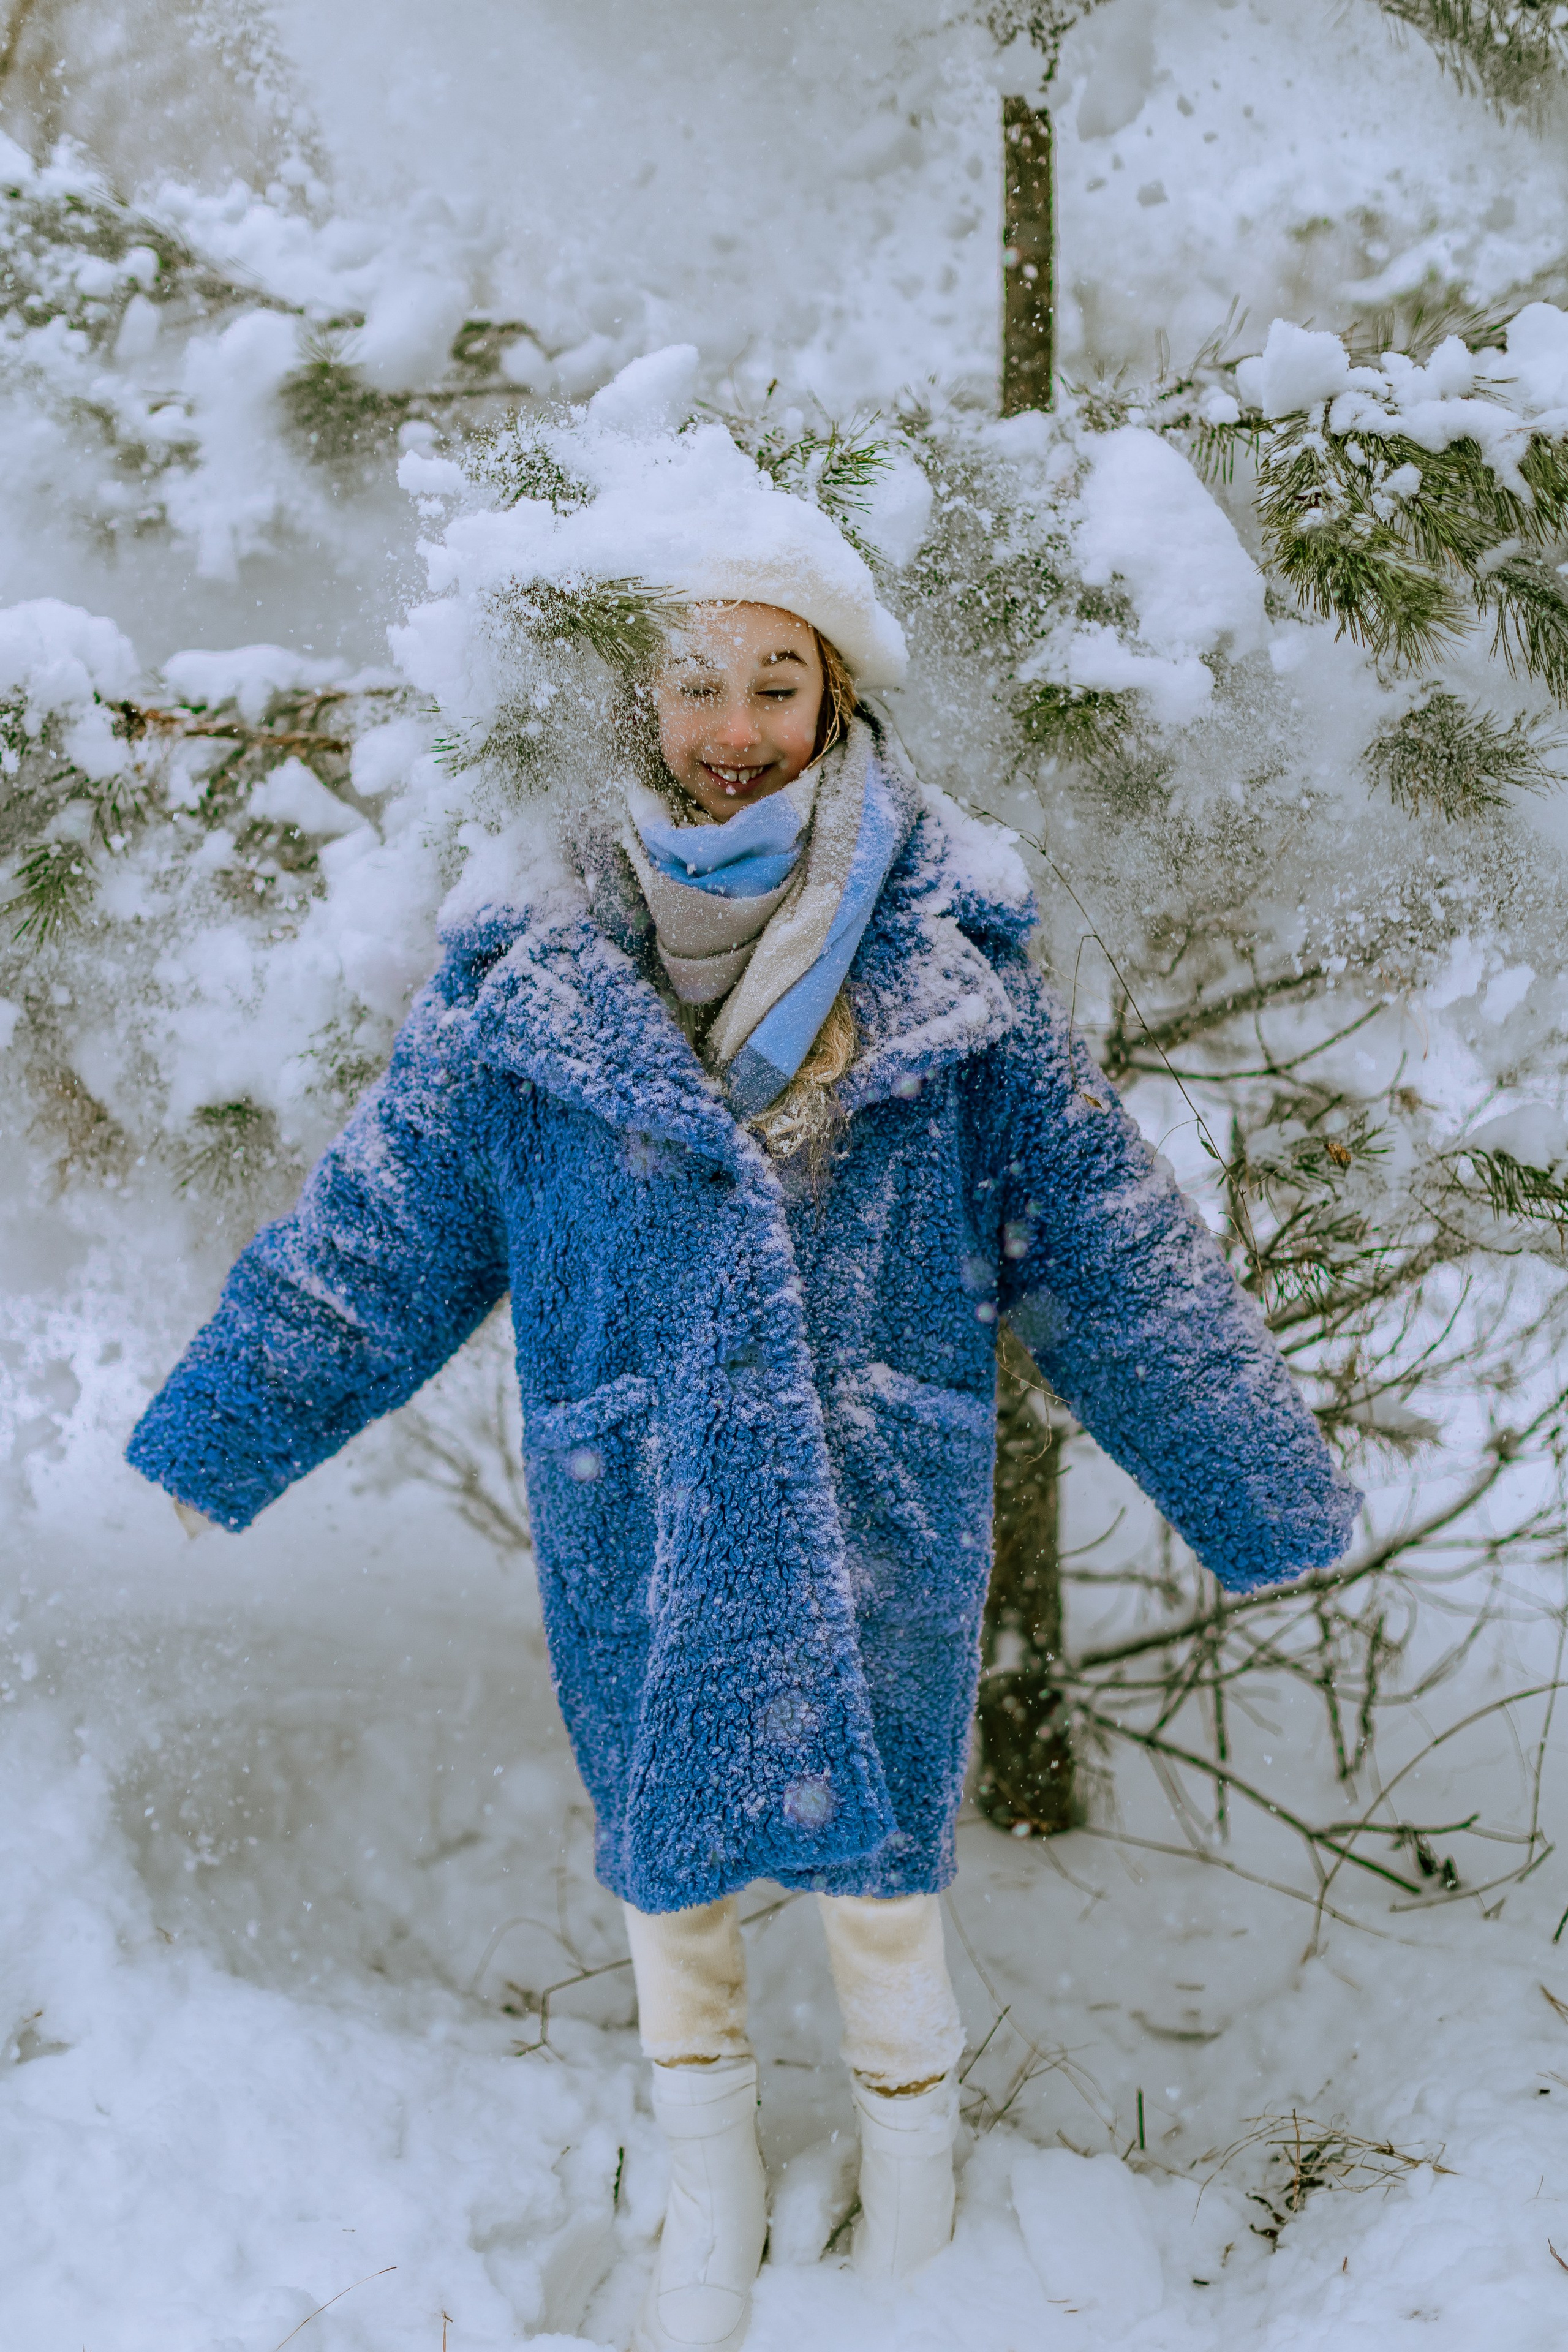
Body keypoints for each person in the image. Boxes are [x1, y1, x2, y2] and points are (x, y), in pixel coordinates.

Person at [127, 361, 1359, 2352]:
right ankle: (705, 2187)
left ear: (838, 700)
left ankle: (914, 2190)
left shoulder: (950, 972)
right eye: (692, 685)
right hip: (647, 1495)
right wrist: (209, 1445)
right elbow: (371, 1248)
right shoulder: (528, 978)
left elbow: (1121, 1257)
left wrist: (1259, 1486)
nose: (731, 734)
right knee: (671, 1866)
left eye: (772, 688)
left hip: (882, 1482)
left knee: (883, 1871)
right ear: (632, 699)